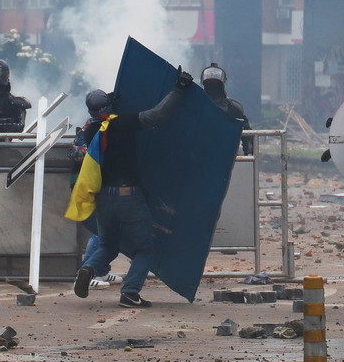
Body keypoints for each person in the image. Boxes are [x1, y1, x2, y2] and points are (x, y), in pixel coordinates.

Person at [71, 67, 195, 308]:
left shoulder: (89, 131)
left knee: (108, 244)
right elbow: (157, 115)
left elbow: (104, 123)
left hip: (103, 199)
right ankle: (130, 293)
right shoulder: (122, 123)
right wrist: (178, 90)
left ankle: (88, 267)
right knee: (144, 249)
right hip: (128, 195)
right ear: (109, 106)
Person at [67, 89, 124, 290]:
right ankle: (84, 273)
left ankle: (100, 270)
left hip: (100, 182)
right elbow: (76, 152)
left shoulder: (105, 124)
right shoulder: (91, 128)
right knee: (101, 230)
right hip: (86, 183)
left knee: (107, 229)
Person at [201, 63, 253, 156]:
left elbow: (247, 134)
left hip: (227, 155)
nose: (212, 85)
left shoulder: (233, 108)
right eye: (209, 82)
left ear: (221, 84)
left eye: (215, 82)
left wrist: (249, 153)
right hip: (200, 153)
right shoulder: (197, 105)